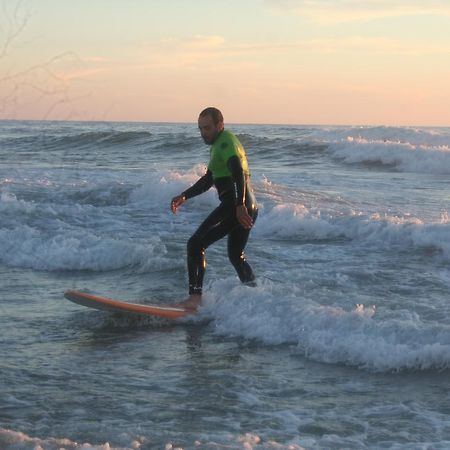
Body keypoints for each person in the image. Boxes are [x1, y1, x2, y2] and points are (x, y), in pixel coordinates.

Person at [171, 107, 258, 310]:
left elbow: (237, 172)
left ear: (220, 125)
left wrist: (238, 206)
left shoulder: (225, 143)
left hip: (236, 205)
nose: (204, 133)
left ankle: (194, 300)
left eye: (208, 128)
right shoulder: (220, 144)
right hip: (248, 205)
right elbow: (209, 178)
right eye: (201, 129)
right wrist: (185, 195)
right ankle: (255, 298)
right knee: (236, 255)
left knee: (195, 244)